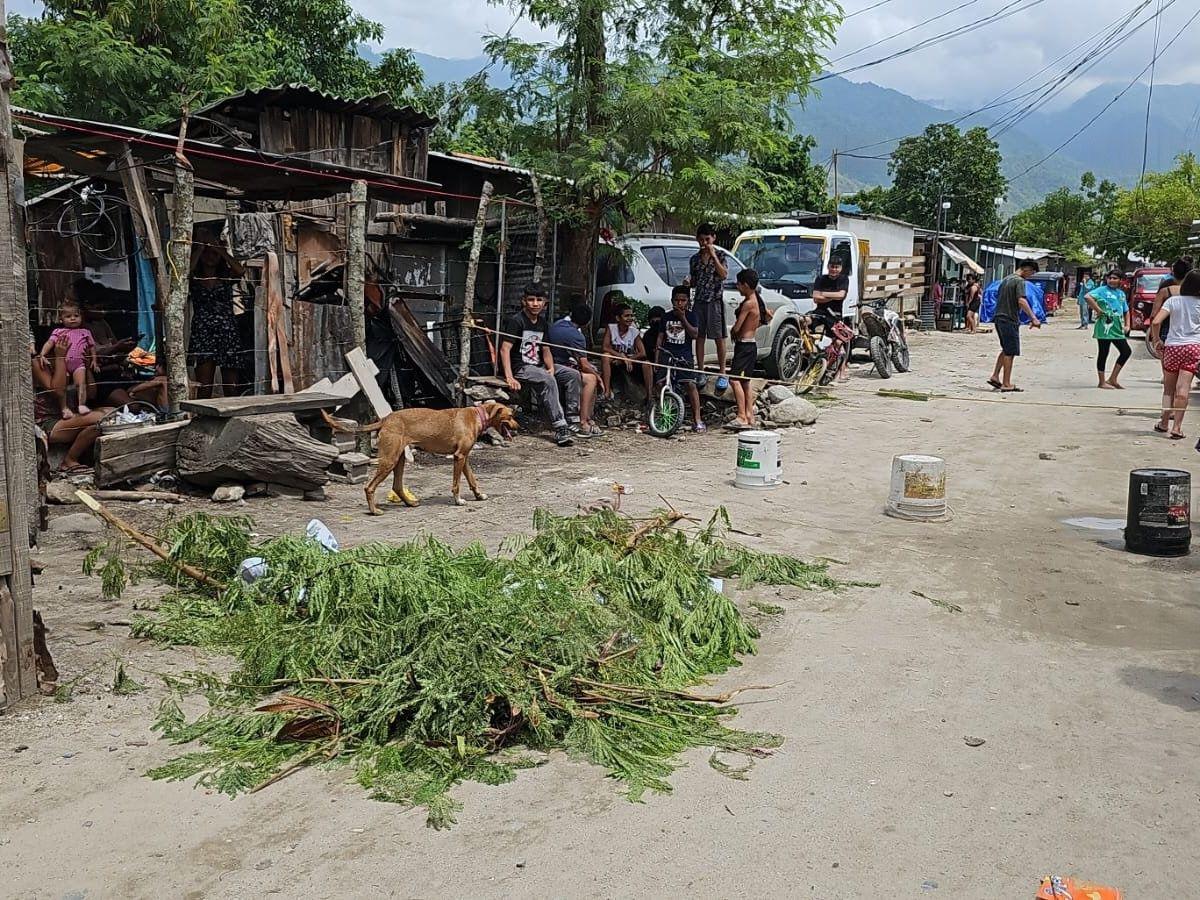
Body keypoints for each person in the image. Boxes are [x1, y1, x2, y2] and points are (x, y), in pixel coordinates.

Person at [499, 282, 578, 447]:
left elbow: (546, 350)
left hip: (539, 365)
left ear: (545, 303)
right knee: (547, 379)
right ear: (524, 301)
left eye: (539, 300)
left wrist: (550, 367)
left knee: (572, 375)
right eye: (531, 300)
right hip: (521, 367)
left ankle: (572, 419)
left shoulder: (542, 323)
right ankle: (560, 427)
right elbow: (504, 349)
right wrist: (509, 376)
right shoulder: (516, 321)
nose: (535, 304)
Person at [30, 336, 111, 474]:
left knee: (111, 412)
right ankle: (69, 461)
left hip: (70, 417)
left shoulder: (75, 362)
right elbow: (57, 391)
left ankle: (74, 459)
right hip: (49, 424)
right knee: (100, 417)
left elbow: (91, 394)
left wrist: (86, 367)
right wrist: (60, 358)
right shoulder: (39, 363)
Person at [188, 229, 245, 399]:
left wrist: (219, 249)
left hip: (227, 332)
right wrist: (199, 249)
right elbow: (185, 273)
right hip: (203, 332)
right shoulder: (195, 279)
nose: (210, 257)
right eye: (207, 254)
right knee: (204, 387)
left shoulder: (226, 276)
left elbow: (240, 271)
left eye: (214, 254)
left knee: (232, 388)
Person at [1150, 269, 1200, 440]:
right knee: (1183, 389)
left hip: (1172, 348)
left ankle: (1164, 422)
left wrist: (1157, 341)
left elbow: (1156, 321)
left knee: (1168, 389)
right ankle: (1177, 428)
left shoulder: (1173, 301)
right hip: (1193, 348)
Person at [547, 303, 603, 438]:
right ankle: (582, 421)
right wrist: (599, 377)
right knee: (591, 378)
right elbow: (584, 365)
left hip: (554, 361)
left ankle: (588, 418)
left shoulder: (558, 323)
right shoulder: (576, 336)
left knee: (592, 372)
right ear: (587, 323)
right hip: (555, 365)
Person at [987, 258, 1042, 393]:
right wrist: (1033, 318)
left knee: (1006, 348)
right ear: (1027, 269)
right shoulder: (1019, 281)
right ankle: (1006, 383)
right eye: (1032, 273)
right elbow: (1021, 301)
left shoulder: (1005, 280)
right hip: (1009, 319)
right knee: (1010, 351)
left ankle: (995, 376)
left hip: (999, 317)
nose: (1031, 276)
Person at [36, 300, 98, 417]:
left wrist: (94, 361)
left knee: (81, 383)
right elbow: (49, 343)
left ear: (81, 317)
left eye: (76, 316)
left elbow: (92, 347)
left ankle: (81, 405)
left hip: (79, 365)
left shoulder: (85, 332)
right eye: (68, 316)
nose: (73, 319)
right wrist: (42, 354)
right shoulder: (59, 332)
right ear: (61, 319)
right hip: (63, 363)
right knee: (62, 387)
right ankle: (64, 408)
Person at [728, 269, 772, 429]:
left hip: (744, 345)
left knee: (734, 380)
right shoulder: (757, 299)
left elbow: (738, 326)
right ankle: (750, 415)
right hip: (750, 344)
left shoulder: (749, 303)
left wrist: (733, 332)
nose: (738, 288)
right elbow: (768, 316)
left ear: (745, 285)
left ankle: (741, 415)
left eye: (739, 285)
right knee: (745, 382)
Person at [657, 285, 704, 432]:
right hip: (667, 354)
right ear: (672, 301)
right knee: (661, 384)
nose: (680, 303)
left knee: (690, 384)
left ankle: (697, 419)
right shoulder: (666, 317)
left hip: (684, 355)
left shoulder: (691, 316)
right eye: (677, 300)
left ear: (688, 301)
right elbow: (660, 338)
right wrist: (657, 359)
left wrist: (683, 318)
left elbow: (695, 334)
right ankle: (663, 414)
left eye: (683, 300)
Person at [688, 223, 729, 390]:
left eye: (707, 239)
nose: (704, 243)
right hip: (699, 301)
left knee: (719, 337)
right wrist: (688, 282)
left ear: (713, 238)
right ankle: (700, 371)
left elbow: (724, 274)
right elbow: (694, 281)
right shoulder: (695, 259)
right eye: (701, 240)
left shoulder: (721, 255)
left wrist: (713, 255)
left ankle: (722, 372)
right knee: (700, 337)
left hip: (715, 301)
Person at [1085, 270, 1132, 389]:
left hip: (1117, 327)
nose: (1111, 280)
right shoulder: (1102, 290)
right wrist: (1098, 310)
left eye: (1115, 278)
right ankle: (1101, 382)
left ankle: (1113, 379)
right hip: (1105, 325)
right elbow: (1087, 297)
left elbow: (1126, 310)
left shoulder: (1121, 294)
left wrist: (1127, 325)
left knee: (1126, 351)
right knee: (1104, 352)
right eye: (1110, 278)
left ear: (1120, 280)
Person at [600, 303, 653, 402]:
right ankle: (607, 391)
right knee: (605, 356)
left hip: (630, 361)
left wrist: (628, 359)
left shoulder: (634, 332)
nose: (630, 318)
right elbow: (605, 347)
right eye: (626, 316)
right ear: (618, 318)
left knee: (647, 364)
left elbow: (642, 353)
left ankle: (649, 397)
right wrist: (620, 357)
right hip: (615, 359)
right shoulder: (611, 328)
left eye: (631, 315)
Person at [812, 257, 851, 380]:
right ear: (828, 267)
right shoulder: (821, 278)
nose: (834, 269)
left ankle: (842, 369)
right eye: (832, 266)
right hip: (820, 312)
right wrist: (831, 296)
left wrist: (823, 294)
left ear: (840, 268)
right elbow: (815, 297)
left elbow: (841, 295)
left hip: (834, 314)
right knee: (803, 321)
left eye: (836, 267)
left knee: (839, 342)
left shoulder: (844, 279)